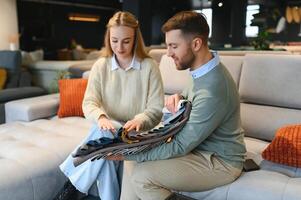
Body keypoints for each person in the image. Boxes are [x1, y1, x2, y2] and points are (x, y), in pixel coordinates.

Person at [113, 11, 247, 200]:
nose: (168, 54)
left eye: (173, 46)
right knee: (132, 161)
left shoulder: (214, 88)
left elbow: (180, 145)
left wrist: (129, 152)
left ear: (196, 44)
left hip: (220, 163)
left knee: (142, 176)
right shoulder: (201, 70)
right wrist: (179, 96)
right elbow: (193, 98)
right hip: (199, 150)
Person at [58, 11, 164, 200]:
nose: (120, 47)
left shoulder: (149, 66)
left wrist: (140, 119)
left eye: (126, 41)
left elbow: (155, 109)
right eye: (115, 40)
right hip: (107, 128)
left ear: (135, 39)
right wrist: (101, 117)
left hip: (136, 133)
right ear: (108, 38)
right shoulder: (101, 65)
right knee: (105, 143)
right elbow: (89, 103)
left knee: (103, 139)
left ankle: (70, 188)